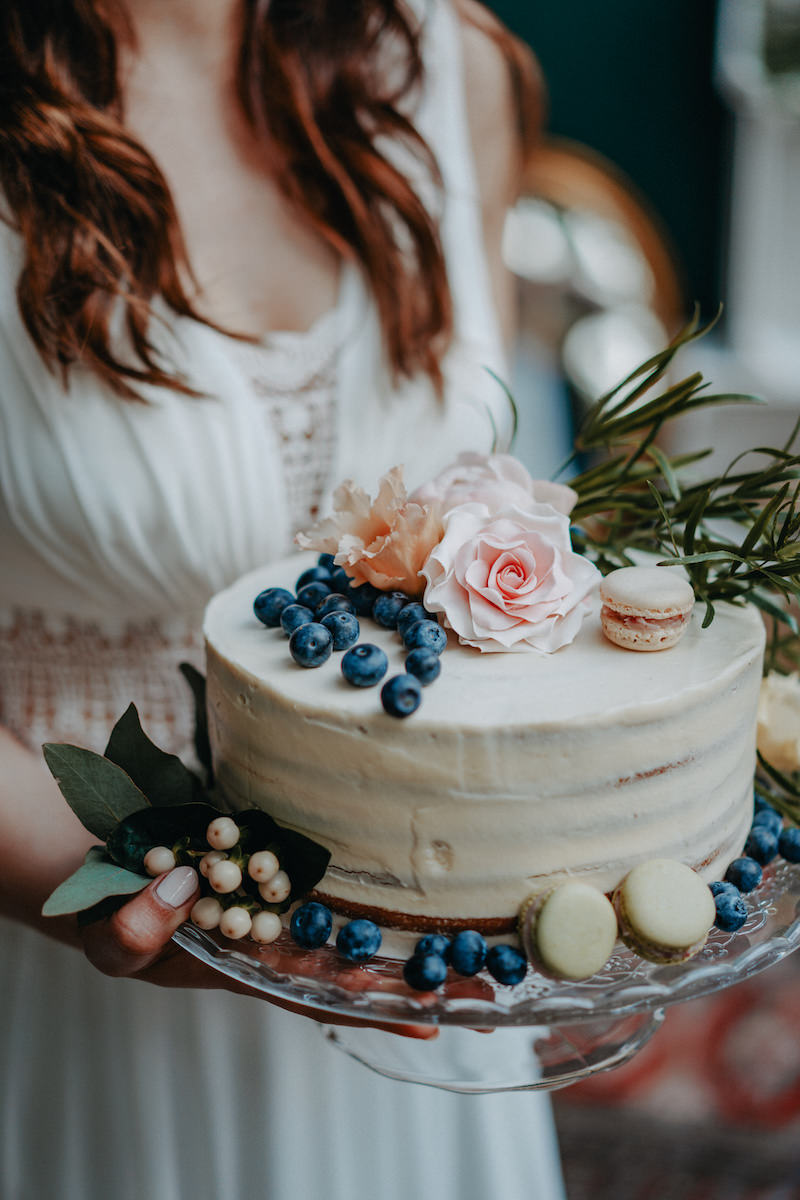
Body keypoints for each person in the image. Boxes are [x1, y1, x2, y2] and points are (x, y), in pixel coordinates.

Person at [0, 1, 566, 1197]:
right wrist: (92, 873)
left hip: (422, 981)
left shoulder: (448, 66)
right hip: (70, 981)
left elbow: (492, 508)